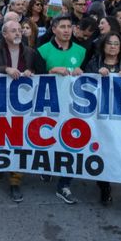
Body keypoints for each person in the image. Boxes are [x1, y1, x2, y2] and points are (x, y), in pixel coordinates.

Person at [0, 20, 45, 203]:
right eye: (14, 31)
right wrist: (5, 70)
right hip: (0, 102)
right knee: (1, 136)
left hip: (23, 105)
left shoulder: (29, 52)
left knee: (19, 138)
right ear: (5, 34)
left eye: (20, 30)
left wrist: (30, 72)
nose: (18, 33)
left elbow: (42, 72)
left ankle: (15, 181)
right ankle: (0, 165)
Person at [84, 32, 121, 206]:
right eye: (109, 43)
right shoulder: (94, 63)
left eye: (116, 43)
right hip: (100, 117)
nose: (113, 46)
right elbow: (83, 84)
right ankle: (104, 186)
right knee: (103, 151)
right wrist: (95, 73)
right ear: (103, 46)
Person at [36, 15, 86, 204]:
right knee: (49, 138)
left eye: (69, 27)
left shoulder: (81, 51)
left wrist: (83, 73)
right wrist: (51, 72)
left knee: (72, 142)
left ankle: (64, 185)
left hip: (74, 107)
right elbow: (36, 79)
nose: (66, 30)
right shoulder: (43, 50)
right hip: (50, 106)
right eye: (62, 27)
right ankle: (48, 167)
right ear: (54, 29)